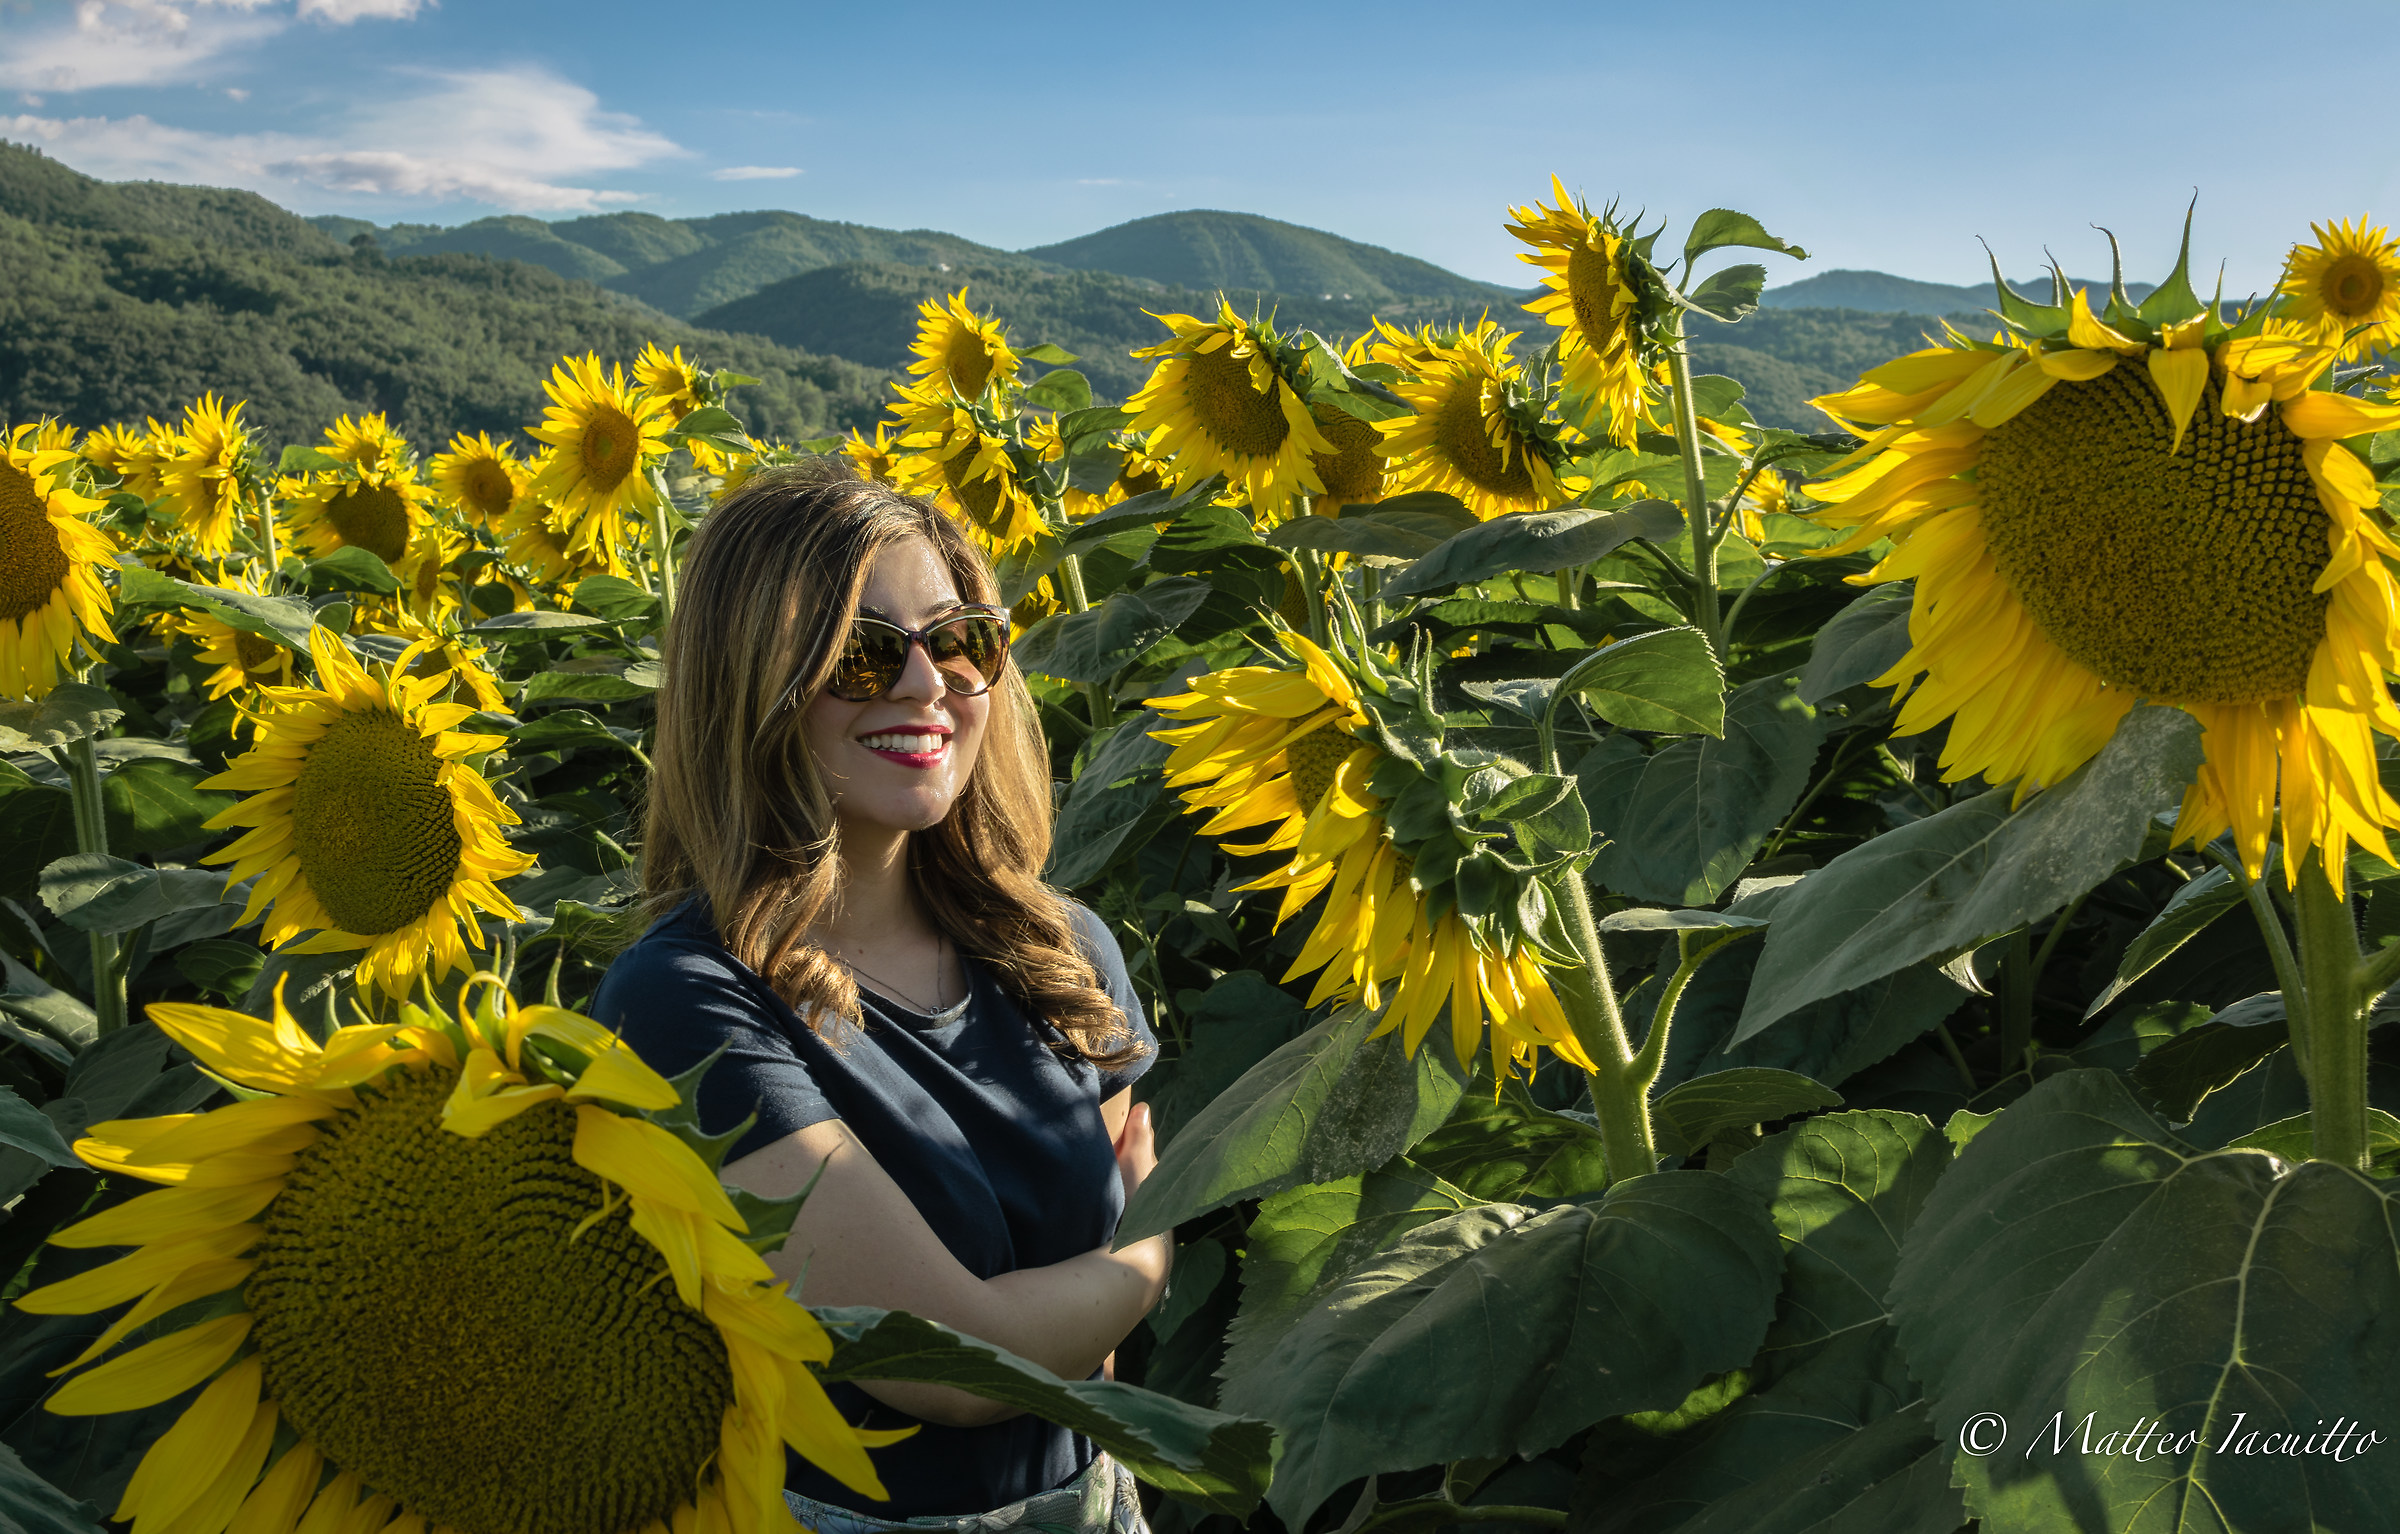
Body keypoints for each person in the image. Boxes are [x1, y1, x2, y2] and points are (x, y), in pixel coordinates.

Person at [591, 459, 1169, 1534]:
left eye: (959, 640)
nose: (925, 685)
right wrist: (1147, 1254)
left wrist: (1086, 1297)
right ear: (747, 685)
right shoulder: (688, 1002)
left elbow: (1077, 1353)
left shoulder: (1060, 948)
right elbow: (943, 1364)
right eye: (859, 655)